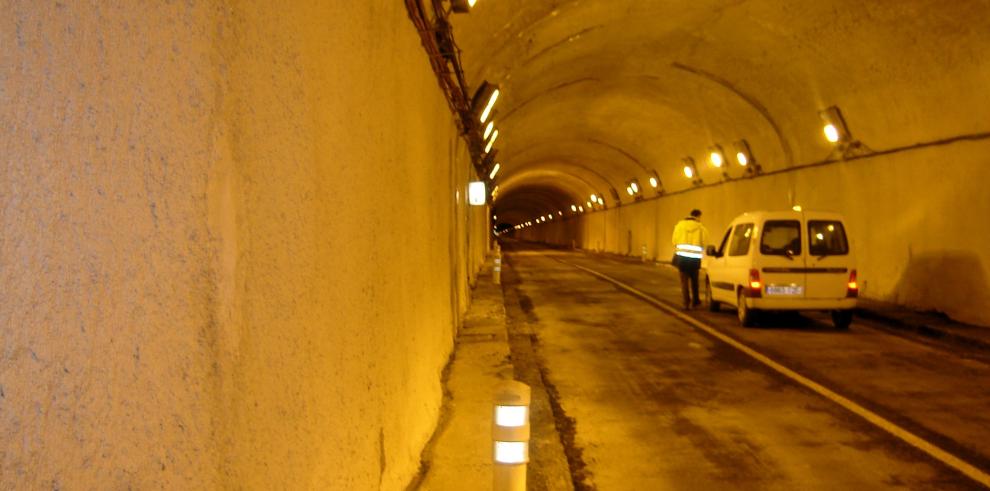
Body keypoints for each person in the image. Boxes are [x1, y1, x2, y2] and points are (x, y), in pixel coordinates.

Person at [671, 209, 710, 309]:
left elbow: (674, 241)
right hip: (694, 259)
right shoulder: (701, 228)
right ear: (698, 216)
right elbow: (705, 242)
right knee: (694, 281)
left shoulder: (679, 226)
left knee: (684, 282)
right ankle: (695, 301)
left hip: (682, 259)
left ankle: (686, 303)